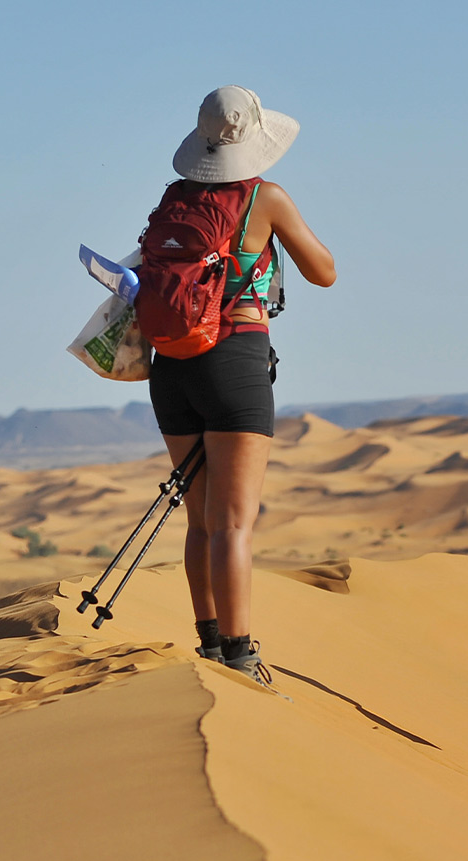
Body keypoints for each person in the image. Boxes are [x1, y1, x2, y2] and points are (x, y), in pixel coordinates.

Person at [147, 85, 336, 681]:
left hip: (171, 363)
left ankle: (207, 640)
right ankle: (241, 651)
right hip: (235, 361)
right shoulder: (265, 198)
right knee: (234, 522)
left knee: (200, 519)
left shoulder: (176, 197)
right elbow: (324, 272)